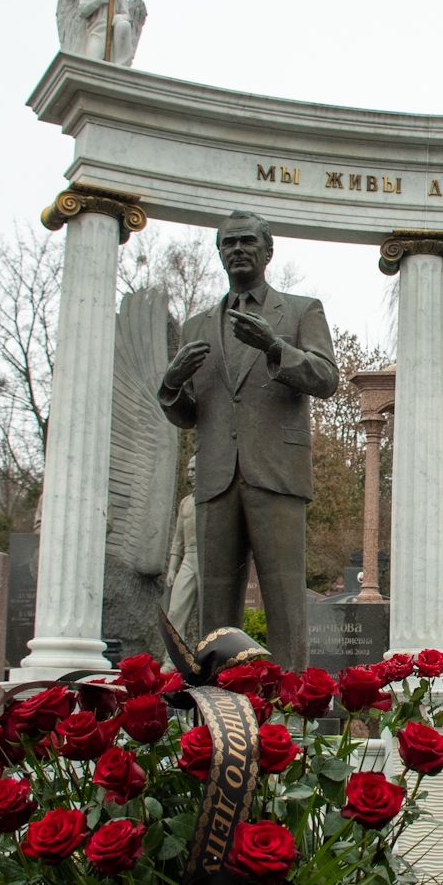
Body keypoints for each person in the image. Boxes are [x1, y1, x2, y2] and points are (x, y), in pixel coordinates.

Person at [158, 211, 337, 670]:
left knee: (284, 603)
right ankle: (218, 712)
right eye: (228, 243)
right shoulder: (198, 325)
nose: (237, 249)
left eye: (247, 242)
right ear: (219, 252)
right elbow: (189, 413)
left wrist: (275, 346)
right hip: (216, 477)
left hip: (276, 474)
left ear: (268, 251)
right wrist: (172, 385)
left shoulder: (300, 310)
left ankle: (292, 713)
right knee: (214, 608)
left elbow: (326, 378)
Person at [166, 456, 199, 636]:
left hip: (207, 560)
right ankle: (172, 659)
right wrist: (172, 568)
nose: (190, 474)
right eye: (188, 470)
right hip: (188, 558)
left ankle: (210, 660)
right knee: (175, 612)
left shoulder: (213, 502)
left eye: (194, 470)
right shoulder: (185, 502)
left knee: (209, 615)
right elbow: (178, 540)